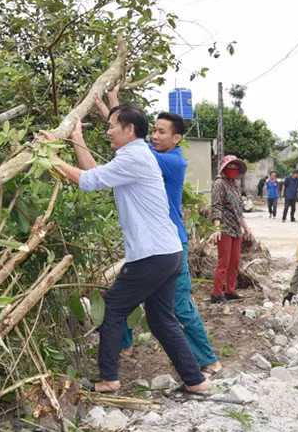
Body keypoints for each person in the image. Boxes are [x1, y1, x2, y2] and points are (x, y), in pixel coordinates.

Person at [37, 105, 209, 395]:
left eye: (112, 126)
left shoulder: (135, 158)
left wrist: (51, 158)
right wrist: (76, 140)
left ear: (129, 129)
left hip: (152, 254)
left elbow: (87, 181)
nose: (108, 132)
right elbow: (95, 174)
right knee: (160, 319)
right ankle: (196, 380)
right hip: (166, 252)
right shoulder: (133, 156)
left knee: (113, 308)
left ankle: (108, 379)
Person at [93, 89, 223, 378]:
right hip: (152, 242)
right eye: (153, 130)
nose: (155, 136)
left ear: (177, 139)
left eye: (162, 132)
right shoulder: (147, 153)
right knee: (127, 299)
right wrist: (115, 113)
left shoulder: (170, 161)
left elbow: (133, 144)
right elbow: (132, 140)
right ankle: (123, 348)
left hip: (171, 241)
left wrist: (114, 114)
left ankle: (208, 360)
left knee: (179, 307)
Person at [210, 155, 253, 304]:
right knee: (224, 263)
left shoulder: (234, 185)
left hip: (236, 230)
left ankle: (230, 290)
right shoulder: (219, 184)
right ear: (224, 168)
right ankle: (216, 294)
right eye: (231, 167)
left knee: (234, 262)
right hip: (225, 229)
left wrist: (246, 228)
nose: (233, 170)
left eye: (236, 167)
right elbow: (217, 207)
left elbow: (238, 211)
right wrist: (217, 229)